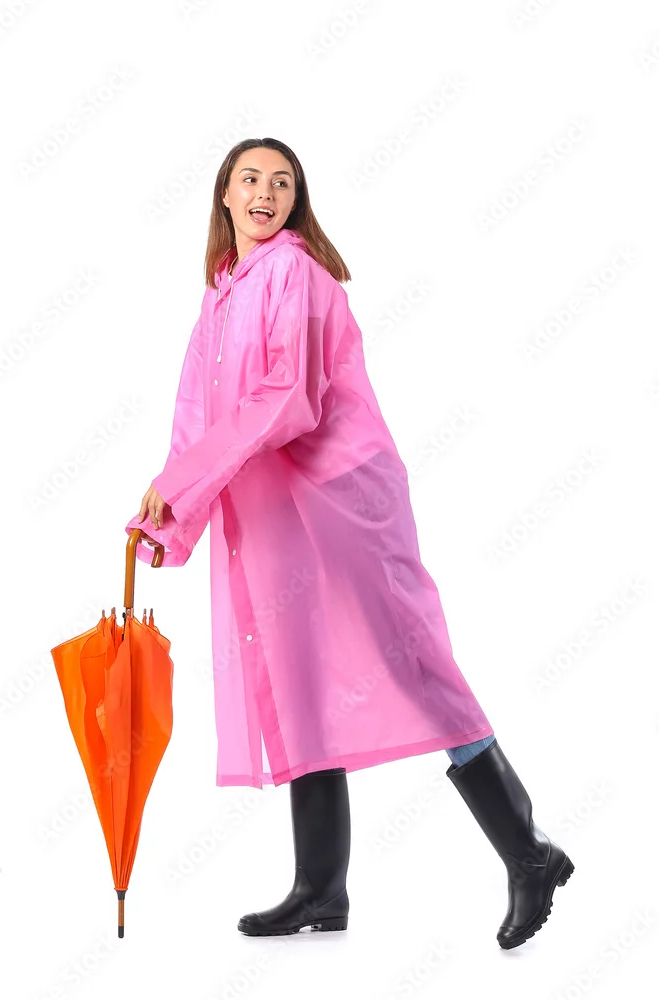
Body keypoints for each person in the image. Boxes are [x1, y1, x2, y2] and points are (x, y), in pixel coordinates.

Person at [124, 138, 574, 949]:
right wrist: (169, 518)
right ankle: (320, 888)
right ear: (223, 194)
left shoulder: (294, 274)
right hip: (271, 511)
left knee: (413, 660)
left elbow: (286, 397)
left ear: (295, 201)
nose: (265, 192)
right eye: (249, 179)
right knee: (294, 675)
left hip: (341, 497)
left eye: (281, 182)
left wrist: (185, 482)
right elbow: (195, 424)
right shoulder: (218, 297)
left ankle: (527, 851)